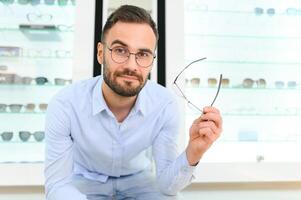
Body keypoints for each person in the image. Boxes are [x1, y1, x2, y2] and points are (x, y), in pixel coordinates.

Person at [44, 5, 222, 200]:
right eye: (120, 50)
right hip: (86, 184)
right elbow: (57, 186)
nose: (131, 65)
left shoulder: (165, 104)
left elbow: (166, 187)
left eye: (143, 54)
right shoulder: (65, 104)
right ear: (101, 53)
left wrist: (194, 152)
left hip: (140, 183)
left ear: (152, 61)